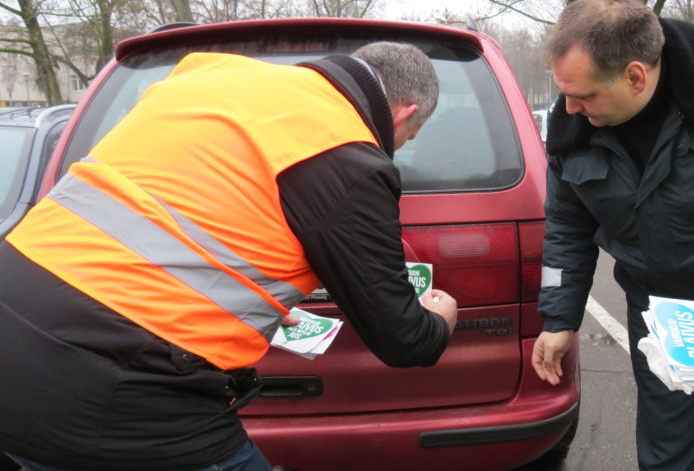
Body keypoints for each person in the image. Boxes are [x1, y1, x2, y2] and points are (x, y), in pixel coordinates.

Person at [0, 42, 459, 470]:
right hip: (116, 393)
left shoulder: (210, 74)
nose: (401, 148)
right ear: (405, 114)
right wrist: (440, 320)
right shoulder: (349, 158)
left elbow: (173, 211)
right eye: (409, 138)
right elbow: (404, 341)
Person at [532, 0, 694, 470]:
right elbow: (567, 229)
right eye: (565, 92)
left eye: (585, 94)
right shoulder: (571, 131)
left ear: (636, 75)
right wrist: (558, 317)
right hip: (657, 308)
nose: (570, 107)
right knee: (666, 439)